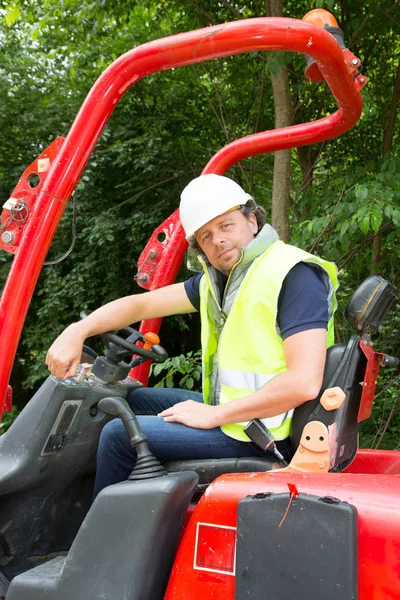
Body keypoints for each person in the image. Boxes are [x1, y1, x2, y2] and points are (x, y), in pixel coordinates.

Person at [46, 174, 338, 498]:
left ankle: (100, 542)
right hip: (244, 413)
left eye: (226, 226)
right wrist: (78, 330)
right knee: (127, 400)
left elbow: (303, 382)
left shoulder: (292, 274)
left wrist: (215, 415)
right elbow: (141, 304)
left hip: (266, 432)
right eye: (206, 236)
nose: (218, 241)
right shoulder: (221, 283)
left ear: (252, 221)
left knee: (119, 434)